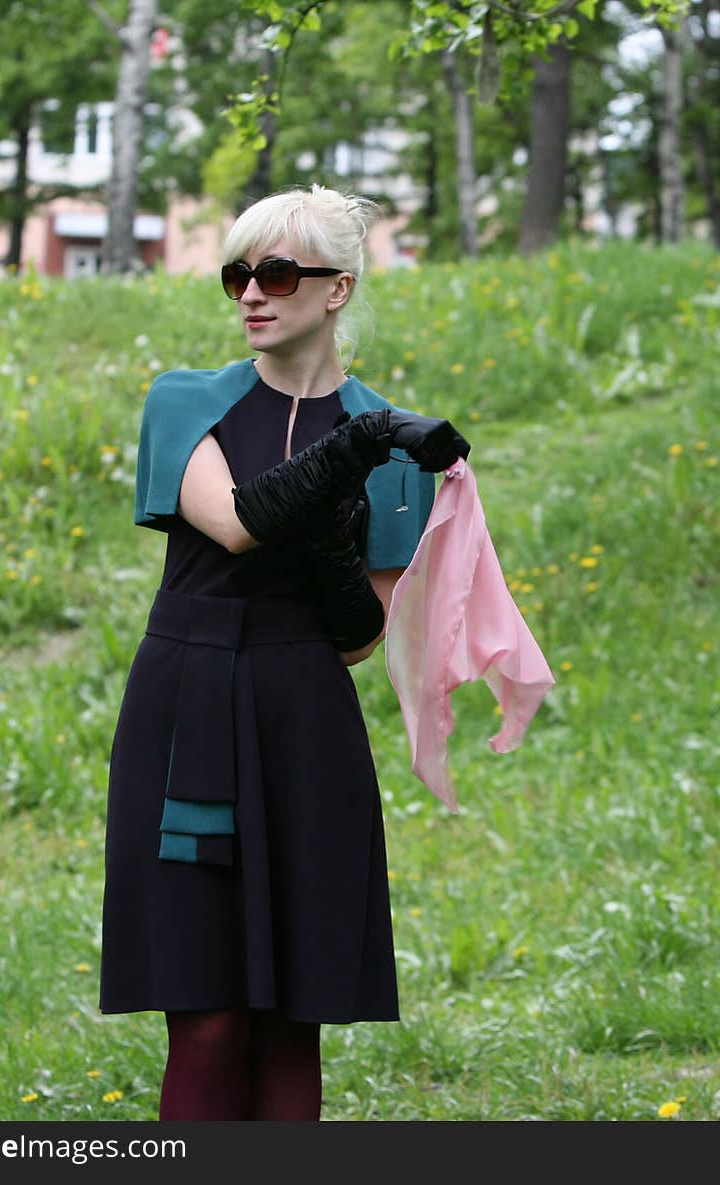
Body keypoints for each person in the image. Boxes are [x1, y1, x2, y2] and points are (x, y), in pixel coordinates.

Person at [98, 184, 470, 1122]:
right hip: (187, 707)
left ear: (337, 289)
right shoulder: (187, 402)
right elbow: (232, 526)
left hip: (302, 716)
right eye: (237, 275)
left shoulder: (393, 443)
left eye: (275, 272)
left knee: (287, 1018)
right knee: (209, 1020)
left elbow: (357, 637)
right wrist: (362, 447)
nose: (251, 295)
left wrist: (364, 462)